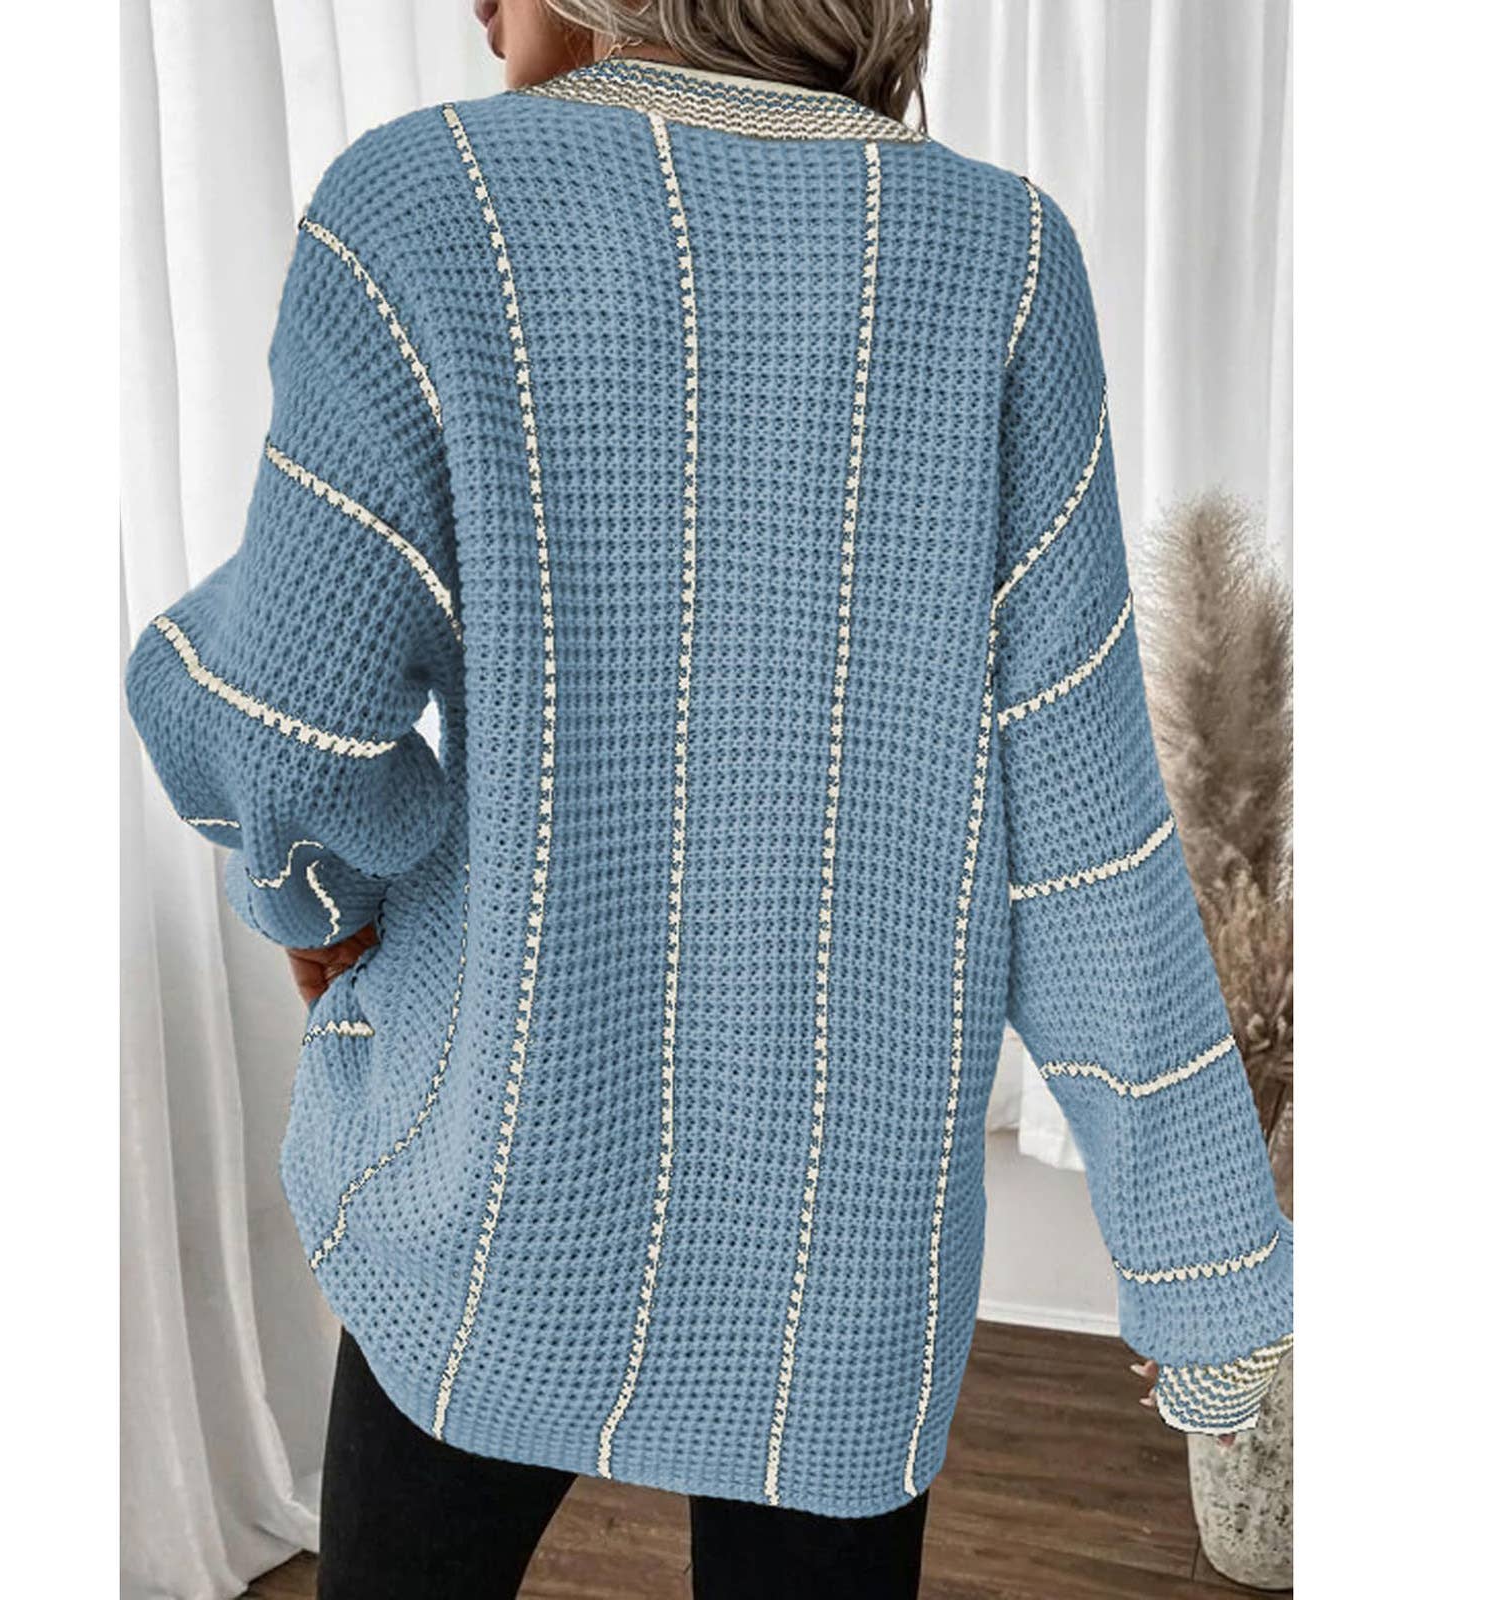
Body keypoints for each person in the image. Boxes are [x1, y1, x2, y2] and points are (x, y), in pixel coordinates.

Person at [124, 2, 1293, 1594]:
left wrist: (322, 899)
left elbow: (280, 732)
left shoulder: (424, 205)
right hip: (841, 1254)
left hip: (496, 1193)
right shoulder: (1002, 258)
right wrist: (1205, 1270)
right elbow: (1084, 836)